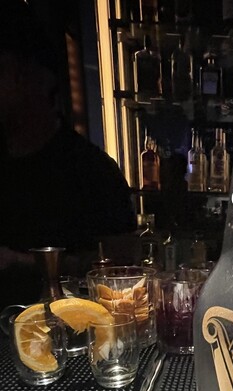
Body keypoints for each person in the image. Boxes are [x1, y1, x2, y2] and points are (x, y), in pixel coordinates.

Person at [0, 0, 136, 307]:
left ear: (37, 76)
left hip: (71, 330)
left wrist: (20, 261)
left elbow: (125, 274)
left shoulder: (93, 172)